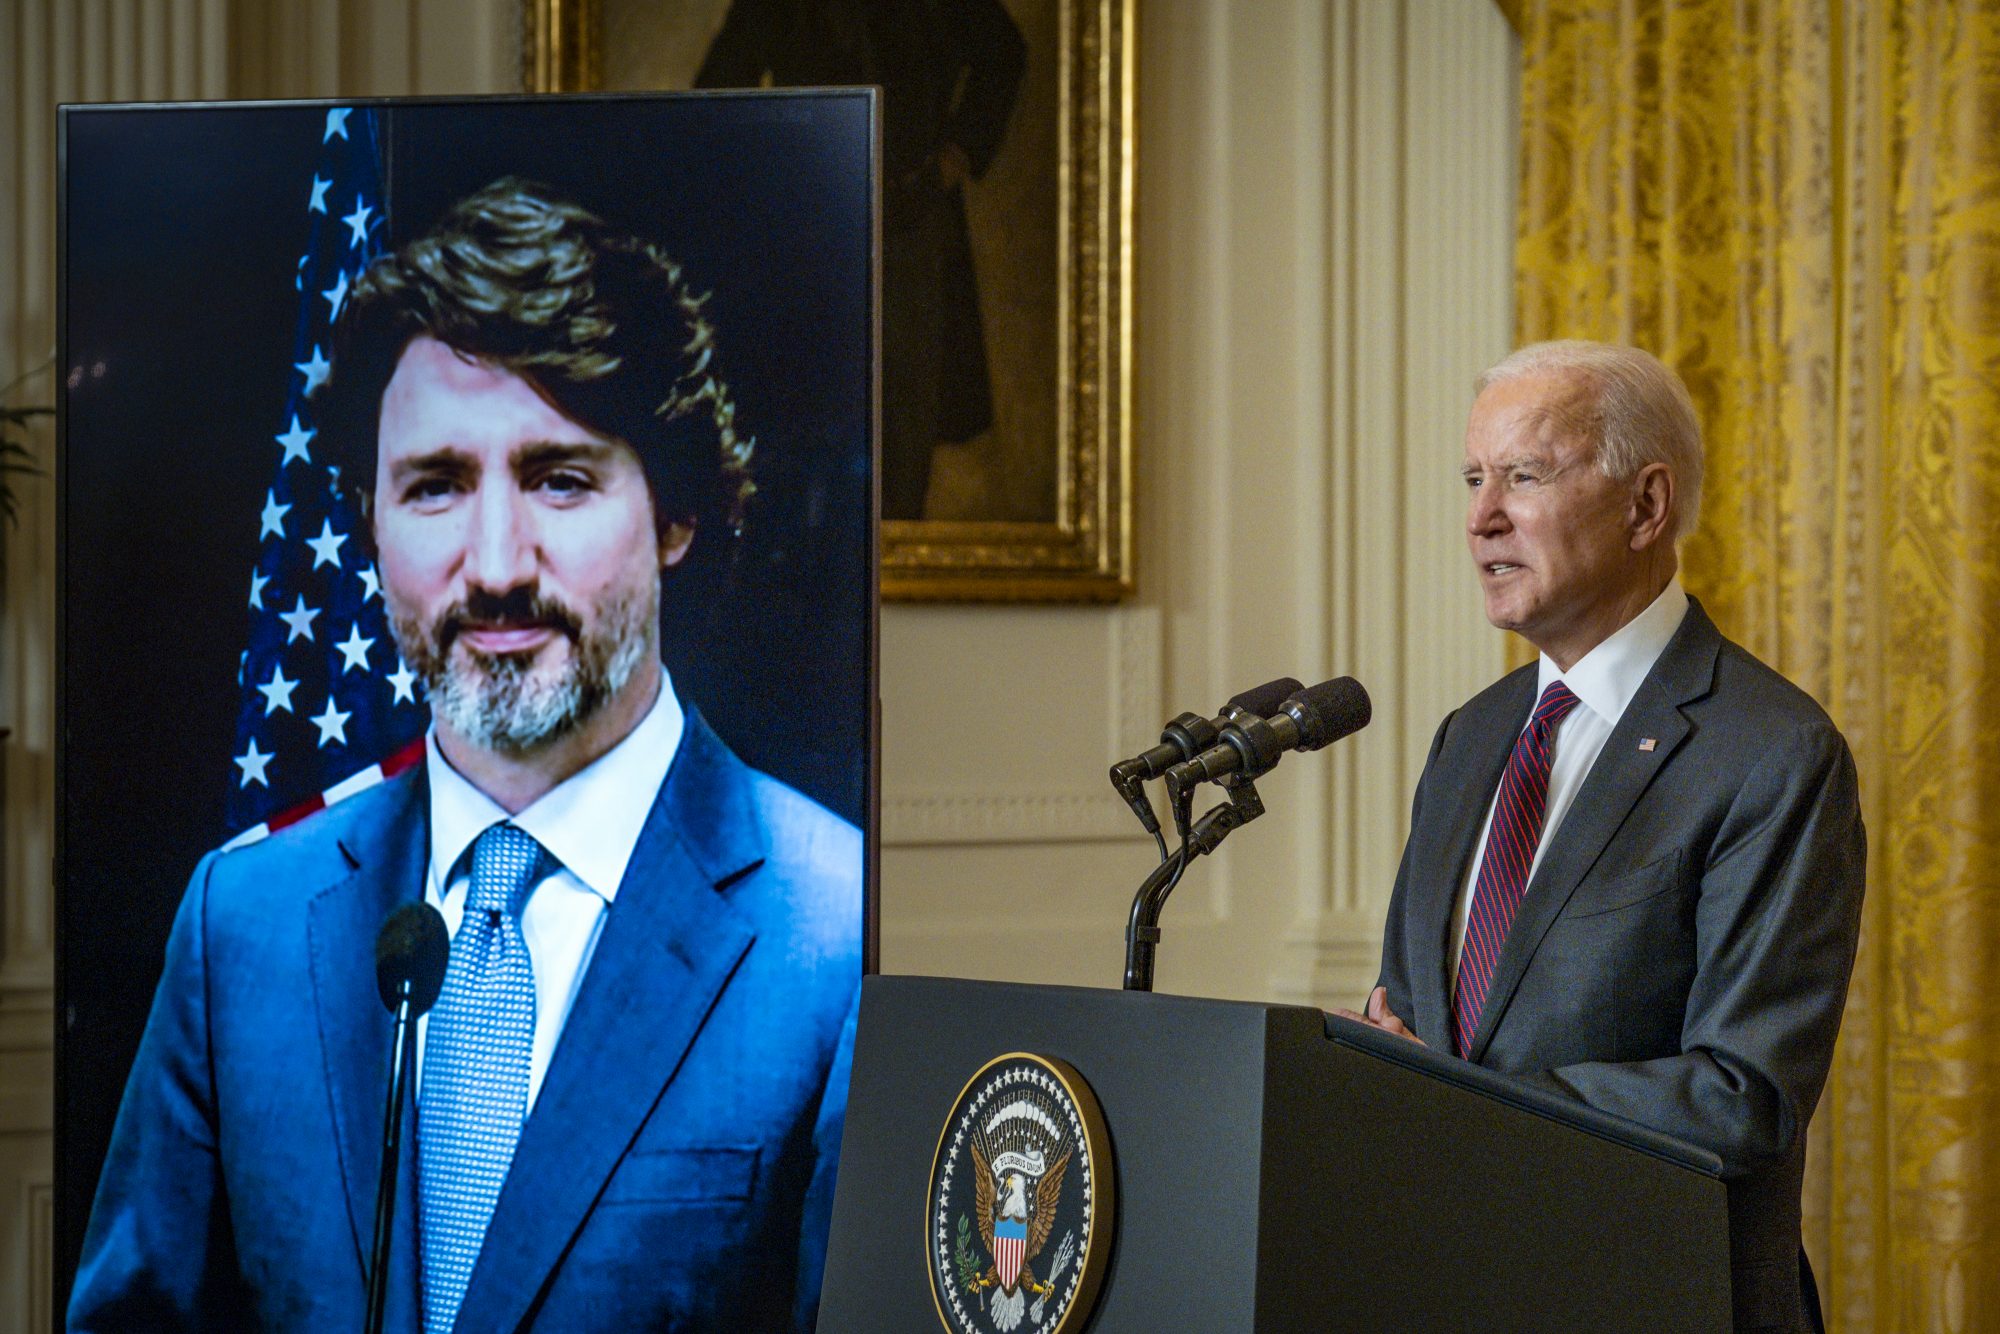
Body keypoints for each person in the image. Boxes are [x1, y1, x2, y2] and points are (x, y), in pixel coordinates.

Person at [68, 180, 863, 1332]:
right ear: (371, 521)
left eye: (559, 477)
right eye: (435, 486)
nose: (494, 563)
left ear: (678, 510)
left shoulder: (834, 939)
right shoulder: (237, 923)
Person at [1337, 341, 1864, 1333]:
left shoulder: (1771, 751)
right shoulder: (1472, 733)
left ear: (1645, 505)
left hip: (1655, 1295)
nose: (1478, 516)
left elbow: (1738, 1095)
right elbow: (1409, 1017)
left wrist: (1453, 1096)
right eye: (1470, 477)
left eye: (1523, 475)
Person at [697, 0, 1026, 518]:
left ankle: (899, 562)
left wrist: (957, 154)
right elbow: (716, 89)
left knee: (905, 414)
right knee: (807, 410)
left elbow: (1003, 54)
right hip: (811, 229)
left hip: (912, 217)